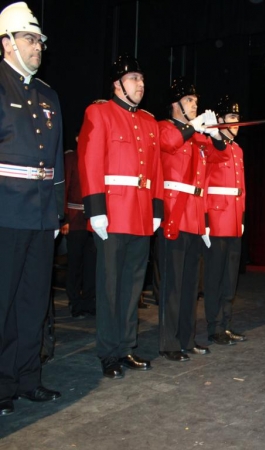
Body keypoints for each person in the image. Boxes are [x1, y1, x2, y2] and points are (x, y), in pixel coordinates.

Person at [78, 54, 164, 379]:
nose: (140, 85)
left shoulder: (149, 122)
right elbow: (90, 160)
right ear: (117, 84)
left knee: (132, 288)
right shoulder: (99, 113)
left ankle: (127, 346)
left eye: (142, 79)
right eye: (133, 79)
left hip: (141, 214)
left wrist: (156, 209)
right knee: (110, 287)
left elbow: (155, 168)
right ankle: (108, 351)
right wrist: (96, 210)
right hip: (112, 214)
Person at [0, 1, 64, 416]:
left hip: (41, 216)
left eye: (40, 40)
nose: (37, 46)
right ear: (6, 42)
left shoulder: (47, 94)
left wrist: (56, 214)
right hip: (5, 213)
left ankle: (28, 378)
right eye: (29, 38)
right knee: (3, 303)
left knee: (33, 303)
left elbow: (56, 160)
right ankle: (2, 386)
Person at [157, 77, 225, 361]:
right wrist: (191, 128)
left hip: (194, 216)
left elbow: (218, 158)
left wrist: (216, 134)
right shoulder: (164, 127)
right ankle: (169, 342)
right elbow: (170, 143)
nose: (195, 105)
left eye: (196, 101)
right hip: (174, 213)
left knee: (189, 287)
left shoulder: (197, 136)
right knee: (172, 286)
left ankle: (186, 339)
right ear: (175, 105)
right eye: (189, 101)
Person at [203, 96, 247, 346]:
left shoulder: (238, 149)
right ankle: (214, 327)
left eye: (237, 118)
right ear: (219, 121)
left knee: (230, 277)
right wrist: (206, 220)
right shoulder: (211, 145)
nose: (236, 122)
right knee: (215, 277)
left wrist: (241, 217)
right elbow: (205, 182)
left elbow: (241, 188)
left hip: (233, 220)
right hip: (217, 219)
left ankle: (226, 324)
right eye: (231, 118)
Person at [61, 136, 97, 318]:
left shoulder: (97, 157)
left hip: (93, 220)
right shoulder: (71, 158)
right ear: (76, 138)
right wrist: (64, 219)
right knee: (75, 263)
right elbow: (65, 186)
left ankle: (89, 302)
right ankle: (75, 302)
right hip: (74, 219)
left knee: (92, 264)